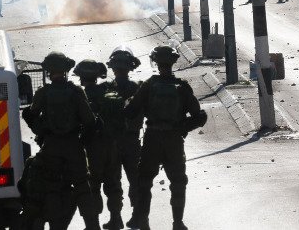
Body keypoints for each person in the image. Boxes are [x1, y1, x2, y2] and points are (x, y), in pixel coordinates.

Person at [124, 46, 206, 230]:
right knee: (178, 182)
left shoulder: (148, 85)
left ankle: (143, 221)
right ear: (172, 62)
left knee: (144, 181)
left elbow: (130, 112)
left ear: (156, 62)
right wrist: (182, 128)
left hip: (152, 139)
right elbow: (200, 117)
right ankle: (177, 223)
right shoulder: (182, 87)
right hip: (174, 141)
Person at [22, 53, 102, 230]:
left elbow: (30, 114)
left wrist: (41, 132)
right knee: (82, 186)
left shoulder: (43, 93)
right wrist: (82, 141)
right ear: (66, 70)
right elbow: (89, 121)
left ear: (49, 71)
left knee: (52, 186)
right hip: (74, 145)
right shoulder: (75, 92)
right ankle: (92, 225)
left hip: (51, 147)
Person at [73, 60, 124, 230]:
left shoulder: (81, 95)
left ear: (82, 77)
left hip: (92, 147)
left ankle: (93, 224)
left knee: (92, 185)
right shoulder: (108, 91)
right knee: (113, 183)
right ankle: (116, 219)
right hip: (112, 145)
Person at [105, 47, 143, 227]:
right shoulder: (138, 88)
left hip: (112, 142)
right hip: (132, 141)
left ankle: (115, 218)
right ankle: (138, 217)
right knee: (136, 180)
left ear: (113, 67)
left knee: (113, 181)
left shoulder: (105, 89)